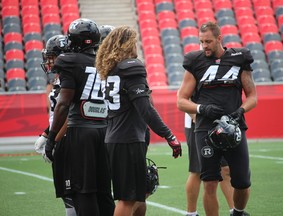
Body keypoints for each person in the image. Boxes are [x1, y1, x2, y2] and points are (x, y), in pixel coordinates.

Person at [95, 25, 182, 216]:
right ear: (126, 45)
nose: (137, 46)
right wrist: (169, 135)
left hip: (118, 136)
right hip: (127, 139)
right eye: (134, 42)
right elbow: (146, 109)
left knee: (140, 194)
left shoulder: (110, 70)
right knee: (127, 199)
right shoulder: (131, 68)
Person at [177, 21, 257, 216]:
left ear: (219, 39)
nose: (204, 46)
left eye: (208, 41)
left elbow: (253, 97)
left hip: (233, 127)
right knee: (210, 182)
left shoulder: (239, 58)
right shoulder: (195, 61)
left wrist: (241, 110)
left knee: (242, 181)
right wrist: (202, 108)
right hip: (205, 129)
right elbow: (181, 101)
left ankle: (237, 212)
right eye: (201, 41)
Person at [44, 18, 115, 216]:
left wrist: (51, 139)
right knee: (103, 191)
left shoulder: (69, 61)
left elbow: (64, 103)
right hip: (105, 131)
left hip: (81, 132)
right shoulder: (106, 62)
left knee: (84, 192)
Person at [34, 34, 76, 216]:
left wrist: (54, 140)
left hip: (70, 139)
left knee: (74, 194)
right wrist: (46, 134)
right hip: (61, 137)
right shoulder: (59, 79)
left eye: (51, 56)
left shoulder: (71, 78)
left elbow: (70, 113)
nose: (48, 61)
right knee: (68, 196)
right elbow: (56, 115)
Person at [184, 113, 234, 216]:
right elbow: (182, 99)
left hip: (221, 123)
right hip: (198, 124)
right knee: (197, 170)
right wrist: (194, 116)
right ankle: (191, 213)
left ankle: (234, 211)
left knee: (226, 169)